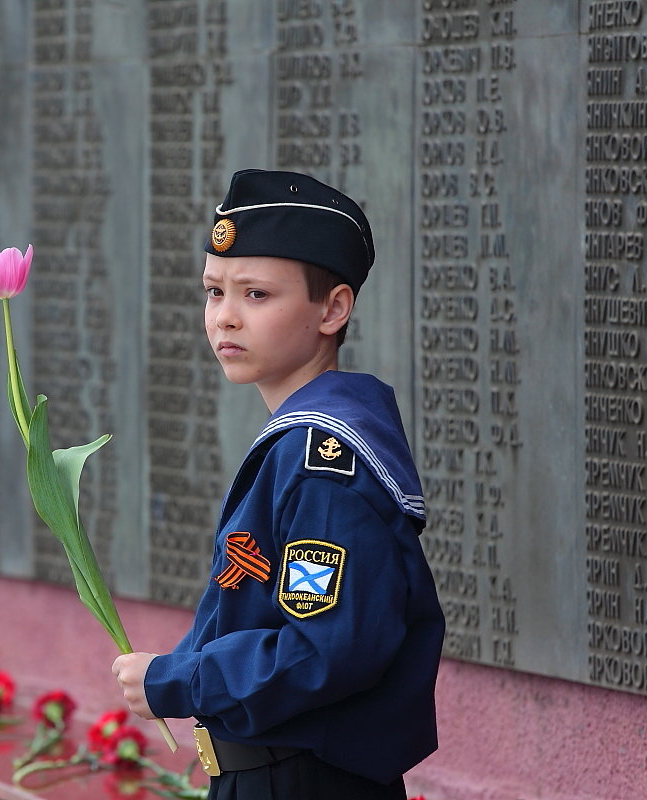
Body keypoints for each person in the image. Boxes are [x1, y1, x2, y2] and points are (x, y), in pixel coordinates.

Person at [112, 169, 444, 799]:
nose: (225, 319)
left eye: (257, 295)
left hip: (301, 781)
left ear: (334, 309)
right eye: (214, 292)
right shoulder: (295, 443)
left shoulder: (326, 464)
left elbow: (323, 651)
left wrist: (180, 679)